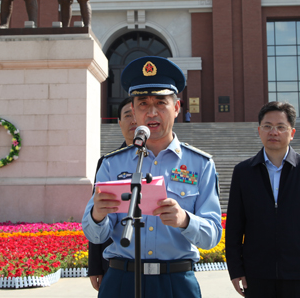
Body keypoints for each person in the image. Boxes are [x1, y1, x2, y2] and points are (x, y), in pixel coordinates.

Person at [83, 56, 222, 298]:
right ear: (134, 112)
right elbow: (95, 235)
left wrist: (184, 220)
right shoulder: (112, 164)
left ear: (177, 107)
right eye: (143, 104)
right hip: (121, 280)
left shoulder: (200, 164)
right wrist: (98, 215)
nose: (152, 112)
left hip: (176, 282)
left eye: (161, 102)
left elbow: (212, 235)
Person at [225, 101, 300, 298]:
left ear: (292, 133)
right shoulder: (243, 172)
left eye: (281, 127)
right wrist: (236, 269)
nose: (273, 132)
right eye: (267, 126)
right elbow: (234, 226)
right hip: (256, 275)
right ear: (259, 131)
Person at [88, 96, 136, 291]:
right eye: (127, 115)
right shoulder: (107, 163)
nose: (133, 121)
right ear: (119, 122)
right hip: (115, 265)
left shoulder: (161, 161)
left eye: (136, 115)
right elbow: (97, 212)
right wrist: (94, 266)